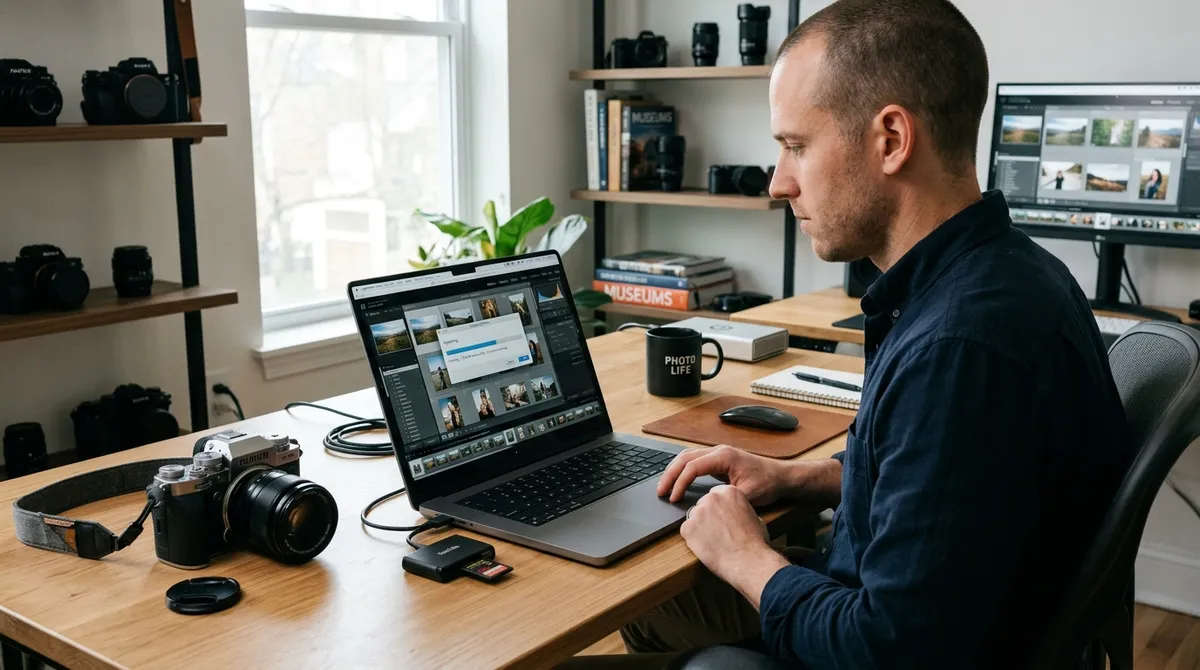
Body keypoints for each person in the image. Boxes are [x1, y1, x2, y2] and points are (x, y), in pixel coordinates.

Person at [563, 0, 1130, 668]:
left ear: (890, 139)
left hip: (879, 641)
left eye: (796, 147)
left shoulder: (960, 349)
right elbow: (946, 485)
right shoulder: (1009, 273)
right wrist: (796, 478)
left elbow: (888, 649)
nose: (778, 182)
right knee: (656, 602)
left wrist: (749, 560)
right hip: (937, 605)